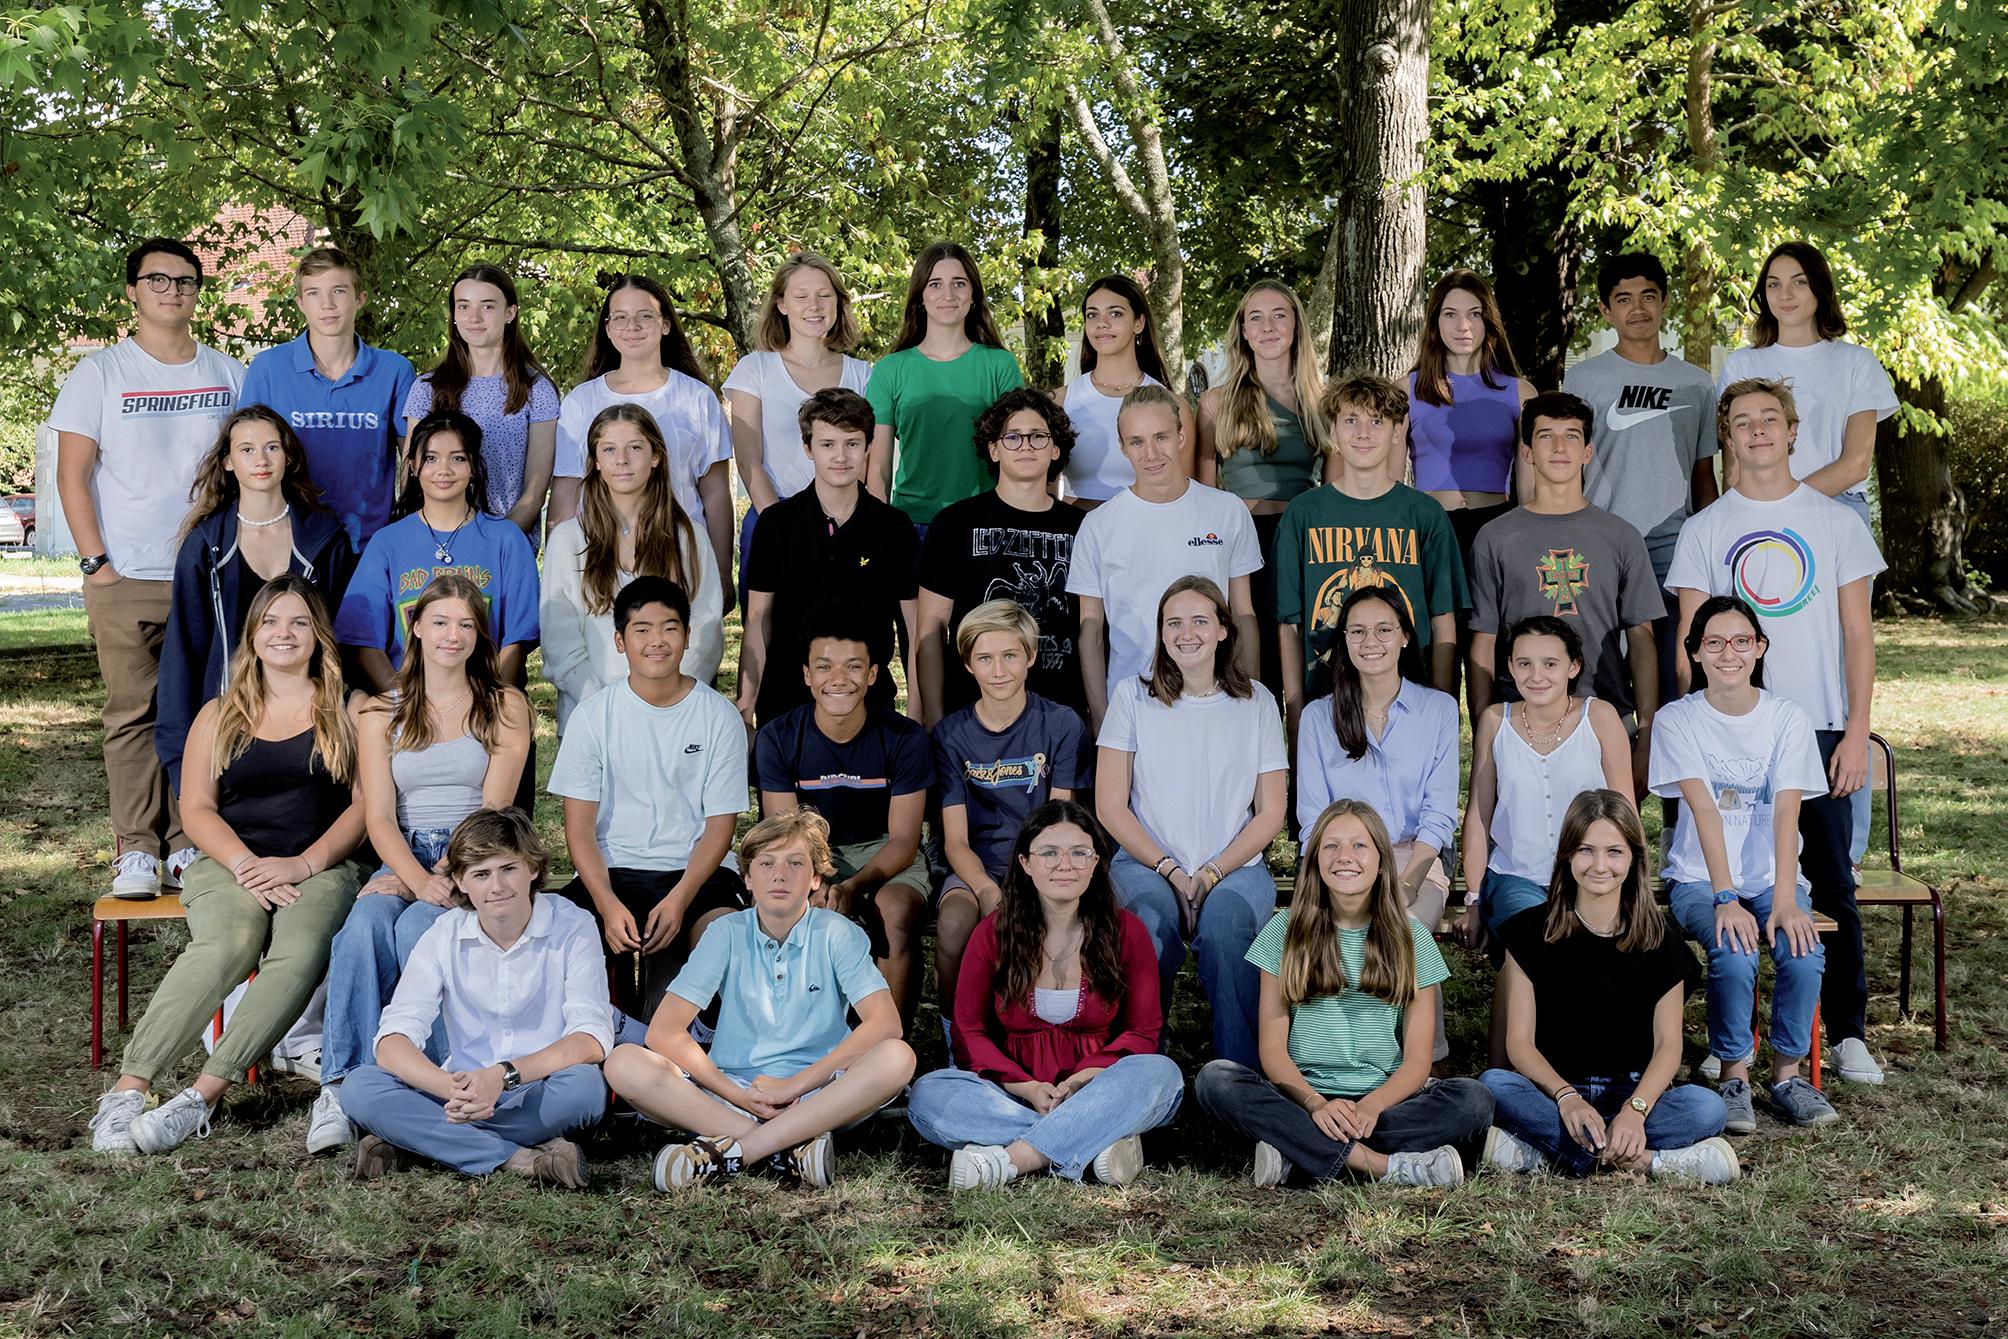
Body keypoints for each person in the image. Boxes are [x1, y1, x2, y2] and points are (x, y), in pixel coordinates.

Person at [88, 578, 365, 1154]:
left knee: (302, 948)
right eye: (270, 622)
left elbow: (366, 808)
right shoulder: (220, 713)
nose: (284, 633)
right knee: (228, 943)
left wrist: (301, 864)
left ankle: (201, 1097)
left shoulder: (351, 708)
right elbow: (196, 808)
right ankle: (127, 1091)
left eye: (298, 622)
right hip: (229, 862)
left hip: (320, 865)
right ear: (252, 636)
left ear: (319, 635)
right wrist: (244, 864)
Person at [1667, 379, 1885, 1086]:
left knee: (1829, 883)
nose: (1757, 430)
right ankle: (1727, 1039)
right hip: (1723, 731)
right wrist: (1695, 725)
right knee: (1722, 879)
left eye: (1770, 419)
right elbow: (1690, 639)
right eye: (1742, 421)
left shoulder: (1836, 522)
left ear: (1793, 431)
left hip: (1816, 725)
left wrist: (1856, 730)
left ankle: (1846, 1031)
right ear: (1727, 436)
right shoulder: (1705, 528)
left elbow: (1858, 633)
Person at [52, 236, 246, 899]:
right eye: (157, 280)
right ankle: (137, 848)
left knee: (205, 711)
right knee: (132, 713)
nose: (173, 291)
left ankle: (190, 842)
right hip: (127, 575)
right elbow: (72, 473)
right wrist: (96, 564)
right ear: (132, 291)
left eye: (186, 281)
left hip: (211, 572)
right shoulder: (100, 373)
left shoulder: (228, 374)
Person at [315, 574, 532, 1155]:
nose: (451, 635)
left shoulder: (504, 706)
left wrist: (445, 879)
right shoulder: (379, 712)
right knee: (363, 927)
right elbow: (379, 816)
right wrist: (413, 877)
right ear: (414, 627)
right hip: (402, 854)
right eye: (439, 622)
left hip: (474, 856)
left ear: (480, 635)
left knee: (418, 928)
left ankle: (439, 1085)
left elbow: (493, 812)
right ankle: (342, 1085)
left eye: (465, 624)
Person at [602, 810, 919, 1190]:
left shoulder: (837, 932)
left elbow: (885, 1023)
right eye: (766, 863)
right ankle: (789, 1148)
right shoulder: (725, 932)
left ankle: (736, 1153)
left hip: (822, 1095)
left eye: (795, 863)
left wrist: (793, 1086)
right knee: (624, 1062)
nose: (779, 875)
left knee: (898, 1056)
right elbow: (664, 1032)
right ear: (748, 879)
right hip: (733, 1093)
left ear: (816, 879)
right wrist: (738, 1095)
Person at [1194, 800, 1493, 1188]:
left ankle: (1297, 1154)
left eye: (1359, 845)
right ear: (1315, 860)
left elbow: (1419, 1061)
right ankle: (1379, 1165)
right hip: (1302, 1097)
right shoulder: (1284, 933)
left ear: (1382, 862)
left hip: (1383, 1103)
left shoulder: (1412, 938)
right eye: (1331, 845)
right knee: (1216, 1080)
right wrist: (1316, 1104)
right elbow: (1272, 1051)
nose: (1344, 857)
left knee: (1473, 1100)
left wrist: (1371, 1106)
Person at [1721, 241, 1897, 872]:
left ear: (1820, 289)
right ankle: (1751, 836)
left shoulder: (1855, 362)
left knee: (1838, 672)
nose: (1786, 294)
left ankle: (1843, 849)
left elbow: (1856, 461)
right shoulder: (1742, 361)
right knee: (1750, 662)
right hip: (1753, 521)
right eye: (1773, 283)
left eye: (1798, 281)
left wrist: (1787, 501)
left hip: (1833, 515)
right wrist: (1751, 508)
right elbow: (1735, 457)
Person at [907, 800, 1183, 1189]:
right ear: (1025, 862)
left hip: (1099, 1088)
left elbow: (1143, 1031)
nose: (1064, 865)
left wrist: (1081, 1081)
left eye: (1079, 853)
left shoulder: (1126, 931)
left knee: (1162, 1075)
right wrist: (1028, 1087)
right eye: (1049, 853)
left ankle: (1012, 1160)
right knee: (929, 1094)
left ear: (1096, 863)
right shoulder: (994, 933)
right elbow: (968, 1031)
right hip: (1012, 1096)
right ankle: (1091, 1142)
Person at [340, 807, 613, 1187]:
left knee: (586, 1088)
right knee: (360, 1086)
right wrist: (449, 1088)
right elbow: (393, 1038)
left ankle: (415, 1142)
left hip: (537, 1087)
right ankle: (522, 1160)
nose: (497, 886)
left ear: (532, 868)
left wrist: (503, 1076)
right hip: (458, 1091)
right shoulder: (444, 934)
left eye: (508, 869)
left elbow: (592, 1038)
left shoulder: (574, 925)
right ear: (460, 882)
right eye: (481, 875)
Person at [1480, 790, 1738, 1183]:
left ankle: (1551, 1155)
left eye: (1614, 852)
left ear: (1634, 858)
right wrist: (1567, 1098)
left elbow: (1669, 1046)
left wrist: (1635, 1111)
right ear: (1567, 856)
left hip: (1632, 1094)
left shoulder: (1662, 941)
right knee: (1494, 1086)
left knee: (1706, 1107)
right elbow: (1519, 1044)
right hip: (1554, 1094)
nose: (1600, 865)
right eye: (1586, 850)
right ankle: (1647, 1161)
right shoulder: (1528, 932)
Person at [1653, 595, 1837, 1130]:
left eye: (1741, 641)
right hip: (1700, 878)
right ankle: (1734, 1075)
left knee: (1802, 950)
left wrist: (1785, 898)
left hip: (1775, 876)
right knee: (1733, 951)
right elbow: (1705, 809)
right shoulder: (1677, 719)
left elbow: (1786, 809)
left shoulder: (1788, 717)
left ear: (1760, 648)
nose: (1728, 653)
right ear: (1695, 652)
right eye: (1713, 642)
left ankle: (1786, 1077)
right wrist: (1725, 897)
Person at [1096, 576, 1286, 1067]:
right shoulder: (1132, 697)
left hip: (1235, 866)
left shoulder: (1257, 703)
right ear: (1161, 633)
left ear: (1223, 630)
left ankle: (1238, 1074)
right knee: (1148, 923)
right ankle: (1139, 1066)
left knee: (1228, 927)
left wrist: (1212, 873)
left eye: (1200, 621)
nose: (1186, 633)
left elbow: (1271, 812)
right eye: (1173, 623)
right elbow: (1110, 806)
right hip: (1146, 863)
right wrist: (1172, 871)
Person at [549, 577, 750, 1021]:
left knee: (724, 939)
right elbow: (579, 831)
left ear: (688, 636)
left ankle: (710, 1047)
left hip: (695, 872)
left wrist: (679, 900)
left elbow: (720, 827)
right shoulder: (593, 716)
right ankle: (601, 1041)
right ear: (620, 641)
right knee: (561, 936)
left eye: (669, 628)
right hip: (613, 871)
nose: (657, 641)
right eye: (642, 629)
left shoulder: (718, 716)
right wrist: (606, 904)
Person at [1294, 584, 1458, 1061]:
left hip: (1415, 857)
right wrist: (1342, 870)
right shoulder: (1319, 717)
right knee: (1338, 930)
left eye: (1384, 630)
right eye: (1358, 631)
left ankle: (1425, 1062)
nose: (1371, 642)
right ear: (1343, 640)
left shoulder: (1438, 710)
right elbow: (1313, 819)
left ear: (1405, 636)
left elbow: (1439, 814)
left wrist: (1406, 882)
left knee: (1406, 930)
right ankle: (1340, 1059)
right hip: (1340, 857)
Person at [158, 405, 354, 790]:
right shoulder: (206, 547)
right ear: (228, 461)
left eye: (271, 447)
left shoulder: (324, 539)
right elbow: (184, 656)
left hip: (312, 731)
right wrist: (181, 766)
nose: (260, 460)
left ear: (288, 456)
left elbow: (343, 643)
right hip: (229, 726)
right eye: (246, 450)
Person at [755, 604, 934, 1025]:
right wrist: (819, 882)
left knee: (894, 913)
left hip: (884, 853)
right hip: (810, 853)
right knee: (792, 907)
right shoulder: (778, 737)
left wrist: (853, 886)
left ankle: (887, 1047)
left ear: (872, 674)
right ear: (807, 675)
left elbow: (904, 840)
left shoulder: (904, 738)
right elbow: (785, 836)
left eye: (853, 666)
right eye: (824, 667)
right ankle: (801, 1039)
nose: (838, 679)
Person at [1465, 390, 1662, 766]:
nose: (1559, 447)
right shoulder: (1495, 537)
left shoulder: (1621, 536)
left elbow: (1641, 639)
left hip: (1606, 713)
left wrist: (1646, 733)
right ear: (1527, 452)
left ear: (1587, 452)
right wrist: (1483, 732)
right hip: (1521, 717)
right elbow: (1483, 641)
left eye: (1571, 435)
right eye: (1546, 436)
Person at [930, 602, 1092, 1051]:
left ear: (1031, 656)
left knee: (1048, 925)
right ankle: (957, 1040)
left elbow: (1060, 825)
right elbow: (955, 840)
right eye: (985, 658)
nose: (998, 670)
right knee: (954, 927)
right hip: (975, 867)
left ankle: (1044, 1036)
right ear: (967, 664)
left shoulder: (1060, 723)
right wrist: (985, 889)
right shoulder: (950, 735)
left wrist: (1029, 885)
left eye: (1010, 656)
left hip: (1045, 863)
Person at [1562, 252, 1719, 701]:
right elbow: (1568, 468)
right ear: (1605, 310)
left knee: (1677, 675)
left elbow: (1703, 474)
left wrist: (1711, 544)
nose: (1638, 308)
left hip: (1675, 548)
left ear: (1665, 302)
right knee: (1601, 677)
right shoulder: (1584, 380)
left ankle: (1664, 744)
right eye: (1624, 299)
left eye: (1649, 296)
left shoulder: (1697, 384)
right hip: (1603, 542)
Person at [1275, 374, 1464, 731]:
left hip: (1410, 703)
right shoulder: (1303, 514)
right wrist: (1296, 716)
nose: (1363, 433)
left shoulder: (1425, 515)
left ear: (1397, 431)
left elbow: (1443, 619)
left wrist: (1440, 708)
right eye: (1351, 420)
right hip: (1326, 701)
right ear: (1333, 431)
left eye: (1377, 421)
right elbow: (1289, 624)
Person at [1067, 384, 1261, 730]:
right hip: (1133, 707)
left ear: (1181, 436)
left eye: (1161, 437)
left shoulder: (1227, 511)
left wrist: (1250, 700)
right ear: (1122, 447)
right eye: (1137, 442)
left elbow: (1243, 613)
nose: (1151, 454)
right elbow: (1091, 629)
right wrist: (1101, 716)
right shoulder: (1098, 525)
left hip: (1217, 701)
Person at [738, 388, 919, 727]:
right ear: (808, 448)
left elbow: (912, 628)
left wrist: (919, 711)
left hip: (869, 703)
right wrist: (746, 705)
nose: (841, 456)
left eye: (852, 443)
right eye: (827, 444)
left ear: (868, 446)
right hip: (786, 702)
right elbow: (758, 619)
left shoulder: (893, 527)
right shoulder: (776, 524)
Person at [541, 403, 725, 732]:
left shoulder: (688, 538)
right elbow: (560, 641)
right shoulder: (568, 540)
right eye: (609, 449)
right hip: (592, 718)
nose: (622, 460)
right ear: (596, 461)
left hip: (673, 718)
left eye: (635, 448)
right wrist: (606, 705)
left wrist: (665, 699)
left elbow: (705, 629)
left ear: (656, 456)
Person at [335, 410, 541, 697]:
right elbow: (363, 639)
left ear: (474, 466)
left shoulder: (507, 540)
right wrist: (403, 704)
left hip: (484, 702)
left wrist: (488, 703)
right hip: (406, 703)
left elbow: (516, 640)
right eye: (431, 458)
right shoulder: (387, 543)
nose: (444, 469)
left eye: (458, 458)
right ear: (412, 465)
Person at [550, 275, 734, 592]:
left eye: (645, 316)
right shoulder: (582, 401)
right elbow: (567, 492)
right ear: (608, 329)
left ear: (665, 324)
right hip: (600, 562)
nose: (632, 326)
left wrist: (721, 572)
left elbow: (715, 492)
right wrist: (558, 578)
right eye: (620, 317)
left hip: (681, 560)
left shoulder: (697, 398)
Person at [915, 389, 1087, 724]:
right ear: (993, 449)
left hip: (1060, 715)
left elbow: (1091, 630)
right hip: (971, 717)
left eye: (1038, 436)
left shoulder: (1083, 528)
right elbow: (931, 630)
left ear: (1055, 448)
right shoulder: (954, 524)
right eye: (1012, 437)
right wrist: (936, 724)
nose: (1025, 446)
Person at [1459, 617, 1634, 945]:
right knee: (1542, 941)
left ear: (1573, 666)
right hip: (1516, 877)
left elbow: (1626, 813)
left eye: (1550, 664)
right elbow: (1479, 814)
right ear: (1510, 666)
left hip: (1590, 876)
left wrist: (1630, 886)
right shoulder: (1496, 721)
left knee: (1592, 946)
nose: (1536, 676)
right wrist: (1473, 899)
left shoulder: (1600, 716)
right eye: (1524, 663)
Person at [1197, 280, 1331, 696]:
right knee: (1251, 661)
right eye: (1255, 317)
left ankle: (1307, 734)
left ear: (1296, 326)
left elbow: (1336, 490)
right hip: (1242, 540)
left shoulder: (1324, 401)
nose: (1267, 326)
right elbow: (1203, 494)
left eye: (1279, 315)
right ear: (1243, 330)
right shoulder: (1216, 402)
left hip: (1304, 540)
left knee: (1309, 659)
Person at [237, 245, 417, 548]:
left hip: (370, 543)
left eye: (339, 291)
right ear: (300, 303)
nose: (327, 304)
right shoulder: (268, 368)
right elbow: (245, 459)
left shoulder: (394, 371)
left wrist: (407, 528)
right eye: (314, 293)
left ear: (360, 299)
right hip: (289, 543)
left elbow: (413, 462)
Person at [723, 253, 872, 569]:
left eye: (824, 295)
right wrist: (782, 526)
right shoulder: (755, 370)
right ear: (782, 304)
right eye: (801, 296)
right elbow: (749, 462)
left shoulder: (863, 374)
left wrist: (846, 523)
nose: (814, 306)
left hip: (846, 522)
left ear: (838, 302)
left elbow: (866, 461)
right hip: (772, 516)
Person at [866, 241, 1026, 528]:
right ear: (920, 297)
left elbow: (1017, 453)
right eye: (935, 284)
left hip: (985, 521)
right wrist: (879, 530)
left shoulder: (1000, 365)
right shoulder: (890, 370)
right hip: (912, 523)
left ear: (974, 295)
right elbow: (878, 469)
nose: (948, 294)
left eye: (959, 283)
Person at [400, 263, 557, 537]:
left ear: (510, 313)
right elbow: (410, 477)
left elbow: (534, 492)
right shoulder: (427, 388)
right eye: (463, 306)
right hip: (435, 541)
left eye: (487, 306)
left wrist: (491, 544)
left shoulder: (536, 390)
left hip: (507, 541)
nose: (474, 317)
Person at [1406, 268, 1537, 533]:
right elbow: (1389, 481)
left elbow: (1529, 488)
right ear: (1435, 321)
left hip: (1496, 528)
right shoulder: (1406, 390)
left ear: (1488, 320)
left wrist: (1531, 540)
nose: (1463, 326)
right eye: (1450, 314)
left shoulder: (1521, 392)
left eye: (1474, 314)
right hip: (1428, 531)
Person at [1056, 274, 1191, 506]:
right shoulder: (1059, 402)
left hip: (1150, 526)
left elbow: (1186, 495)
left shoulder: (1175, 407)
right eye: (1092, 315)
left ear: (1139, 323)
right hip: (1076, 525)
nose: (1102, 323)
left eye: (1115, 313)